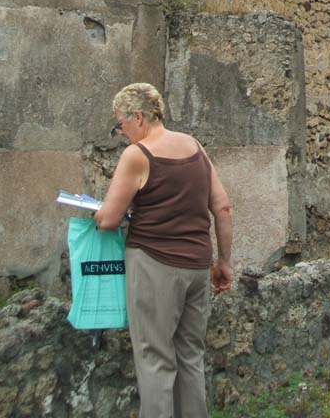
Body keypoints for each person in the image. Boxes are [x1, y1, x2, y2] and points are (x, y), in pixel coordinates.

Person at [95, 82, 233, 418]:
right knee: (190, 356)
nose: (122, 132)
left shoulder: (137, 155)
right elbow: (223, 207)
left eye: (121, 124)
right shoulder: (194, 146)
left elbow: (109, 220)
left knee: (155, 359)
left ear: (138, 117)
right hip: (198, 266)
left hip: (154, 265)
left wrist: (97, 212)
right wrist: (224, 262)